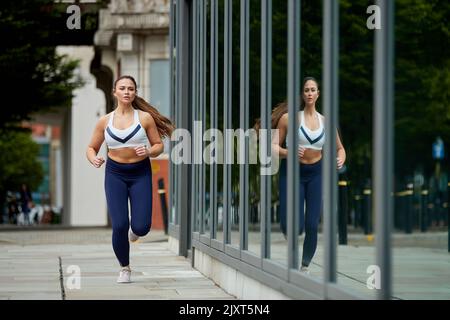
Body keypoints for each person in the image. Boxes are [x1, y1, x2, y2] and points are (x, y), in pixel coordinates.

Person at [86, 75, 174, 283]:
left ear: (135, 92)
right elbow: (91, 148)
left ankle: (135, 233)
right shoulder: (105, 121)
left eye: (131, 89)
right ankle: (124, 268)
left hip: (140, 173)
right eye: (123, 88)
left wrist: (149, 151)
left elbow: (158, 145)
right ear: (115, 92)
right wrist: (94, 159)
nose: (127, 92)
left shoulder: (144, 118)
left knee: (142, 227)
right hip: (115, 174)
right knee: (119, 225)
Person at [271, 76, 346, 274]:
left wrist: (341, 158)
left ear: (318, 94)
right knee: (291, 224)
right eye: (306, 90)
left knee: (312, 223)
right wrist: (288, 152)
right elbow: (272, 147)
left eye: (313, 90)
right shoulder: (289, 119)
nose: (310, 93)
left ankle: (304, 265)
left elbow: (340, 148)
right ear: (302, 94)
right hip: (293, 172)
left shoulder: (326, 122)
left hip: (316, 173)